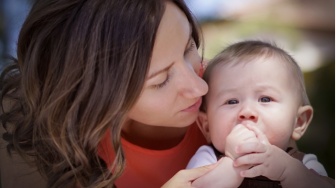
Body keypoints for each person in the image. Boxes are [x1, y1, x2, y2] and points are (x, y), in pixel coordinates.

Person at [0, 0, 219, 187]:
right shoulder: (57, 147)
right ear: (97, 96)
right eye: (160, 81)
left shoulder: (235, 92)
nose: (200, 87)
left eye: (188, 48)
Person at [186, 40, 335, 187]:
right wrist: (232, 163)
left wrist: (287, 171)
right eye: (232, 101)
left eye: (265, 99)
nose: (247, 112)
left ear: (299, 122)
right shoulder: (207, 159)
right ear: (207, 126)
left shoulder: (304, 164)